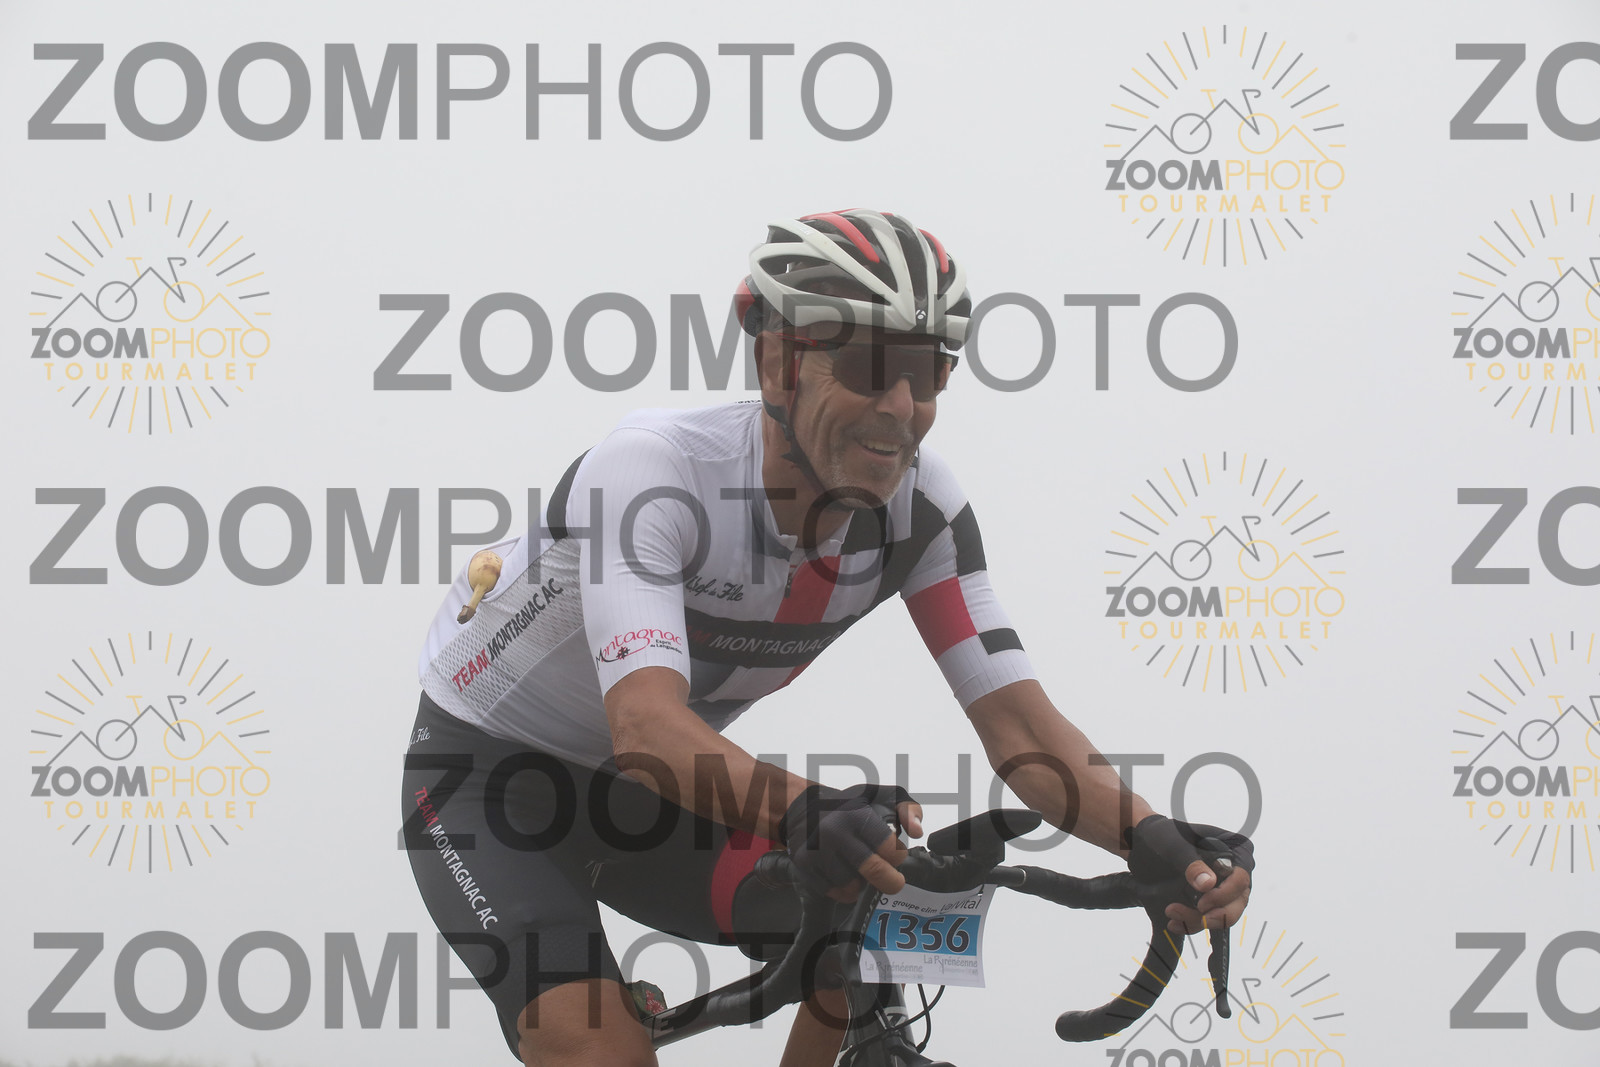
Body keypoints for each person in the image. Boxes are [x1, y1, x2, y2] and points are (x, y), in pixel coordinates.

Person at [401, 209, 1253, 1067]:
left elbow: (1020, 728)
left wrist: (1153, 840)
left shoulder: (922, 512)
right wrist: (811, 809)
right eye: (870, 367)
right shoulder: (656, 471)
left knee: (870, 895)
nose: (902, 407)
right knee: (606, 1053)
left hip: (650, 798)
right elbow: (647, 727)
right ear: (779, 362)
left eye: (927, 374)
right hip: (487, 781)